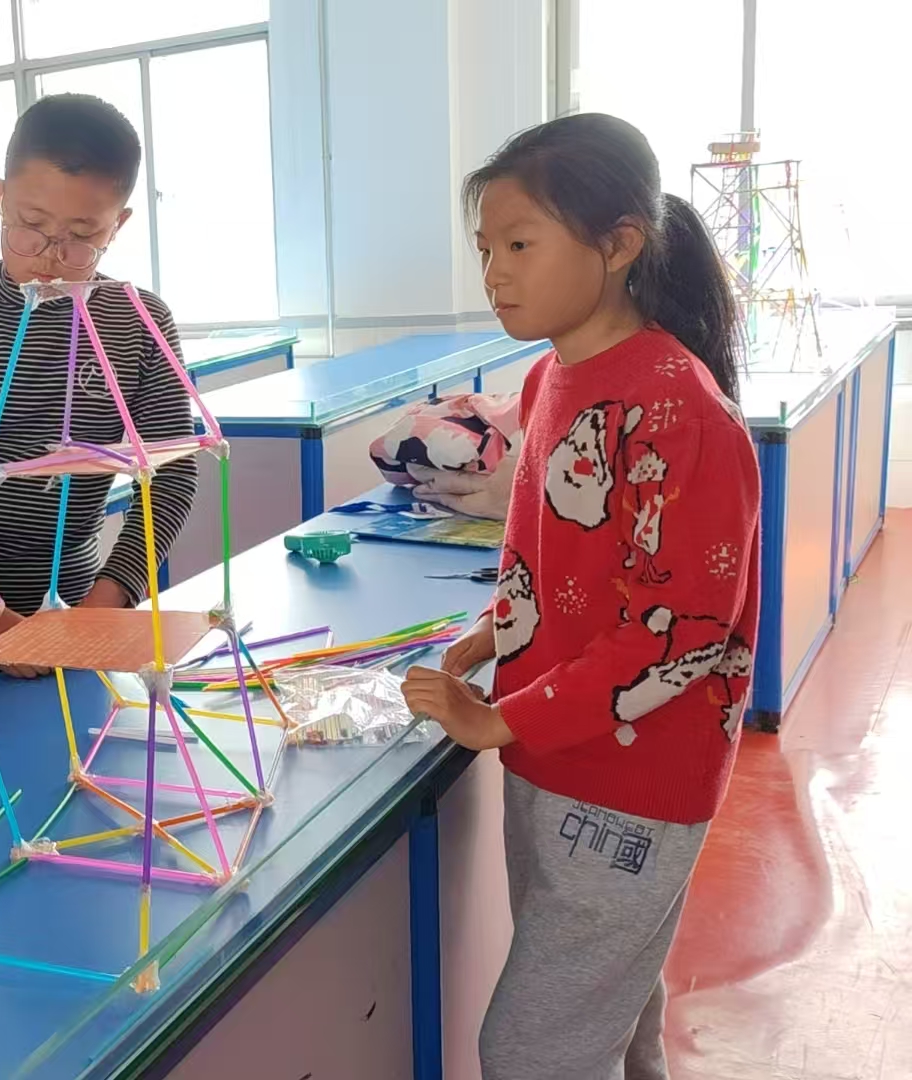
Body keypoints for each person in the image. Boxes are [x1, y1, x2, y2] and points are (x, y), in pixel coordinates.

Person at [401, 113, 760, 1080]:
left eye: (520, 245)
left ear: (619, 243)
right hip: (555, 748)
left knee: (534, 1050)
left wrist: (496, 720)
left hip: (634, 778)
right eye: (486, 249)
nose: (495, 273)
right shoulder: (550, 378)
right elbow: (562, 558)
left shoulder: (680, 411)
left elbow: (676, 633)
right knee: (607, 1007)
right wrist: (497, 633)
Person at [0, 94, 196, 672]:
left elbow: (170, 473)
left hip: (76, 618)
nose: (49, 256)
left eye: (80, 236)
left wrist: (103, 605)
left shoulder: (138, 322)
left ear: (117, 225)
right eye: (30, 226)